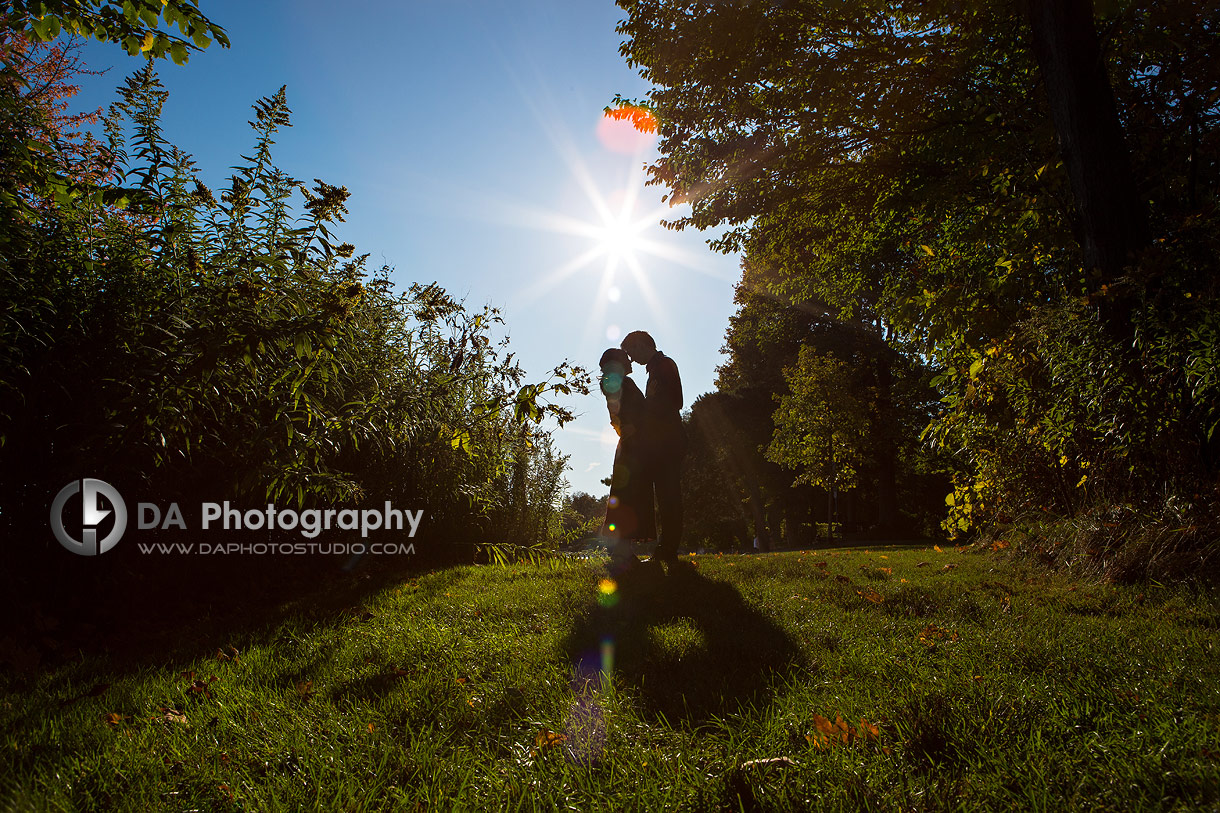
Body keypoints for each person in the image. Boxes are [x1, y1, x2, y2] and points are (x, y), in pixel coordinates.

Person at [620, 330, 685, 566]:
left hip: (668, 443)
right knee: (665, 497)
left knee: (669, 498)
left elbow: (676, 402)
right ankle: (666, 550)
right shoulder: (654, 370)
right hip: (660, 445)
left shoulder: (665, 365)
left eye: (631, 352)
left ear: (641, 345)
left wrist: (649, 403)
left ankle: (668, 550)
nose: (631, 359)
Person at [597, 348, 655, 566]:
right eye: (626, 358)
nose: (631, 360)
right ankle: (621, 552)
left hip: (629, 445)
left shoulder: (616, 383)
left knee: (628, 494)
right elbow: (631, 413)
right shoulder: (622, 384)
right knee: (630, 495)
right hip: (632, 447)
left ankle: (623, 551)